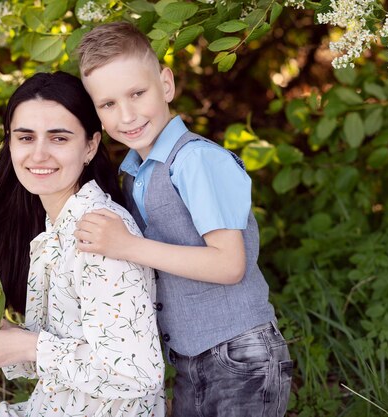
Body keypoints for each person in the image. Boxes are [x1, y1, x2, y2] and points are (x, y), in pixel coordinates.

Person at [0, 71, 165, 417]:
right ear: (9, 143)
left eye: (58, 138)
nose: (38, 155)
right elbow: (65, 359)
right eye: (26, 137)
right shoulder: (53, 229)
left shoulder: (101, 234)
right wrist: (3, 338)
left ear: (90, 145)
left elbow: (138, 375)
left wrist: (30, 346)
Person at [73, 22, 293, 417]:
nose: (126, 115)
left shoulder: (196, 160)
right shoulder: (136, 171)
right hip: (191, 358)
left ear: (167, 85)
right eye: (108, 104)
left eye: (137, 94)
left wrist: (127, 245)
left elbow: (229, 264)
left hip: (239, 354)